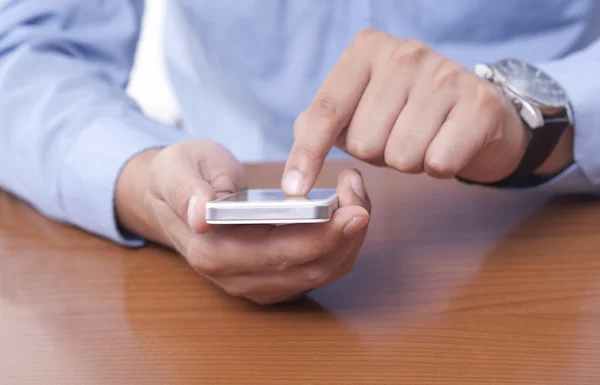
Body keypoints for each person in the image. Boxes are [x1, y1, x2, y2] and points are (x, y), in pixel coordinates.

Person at [0, 1, 598, 305]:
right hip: (194, 258)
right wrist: (141, 181)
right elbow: (25, 54)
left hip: (548, 225)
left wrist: (541, 120)